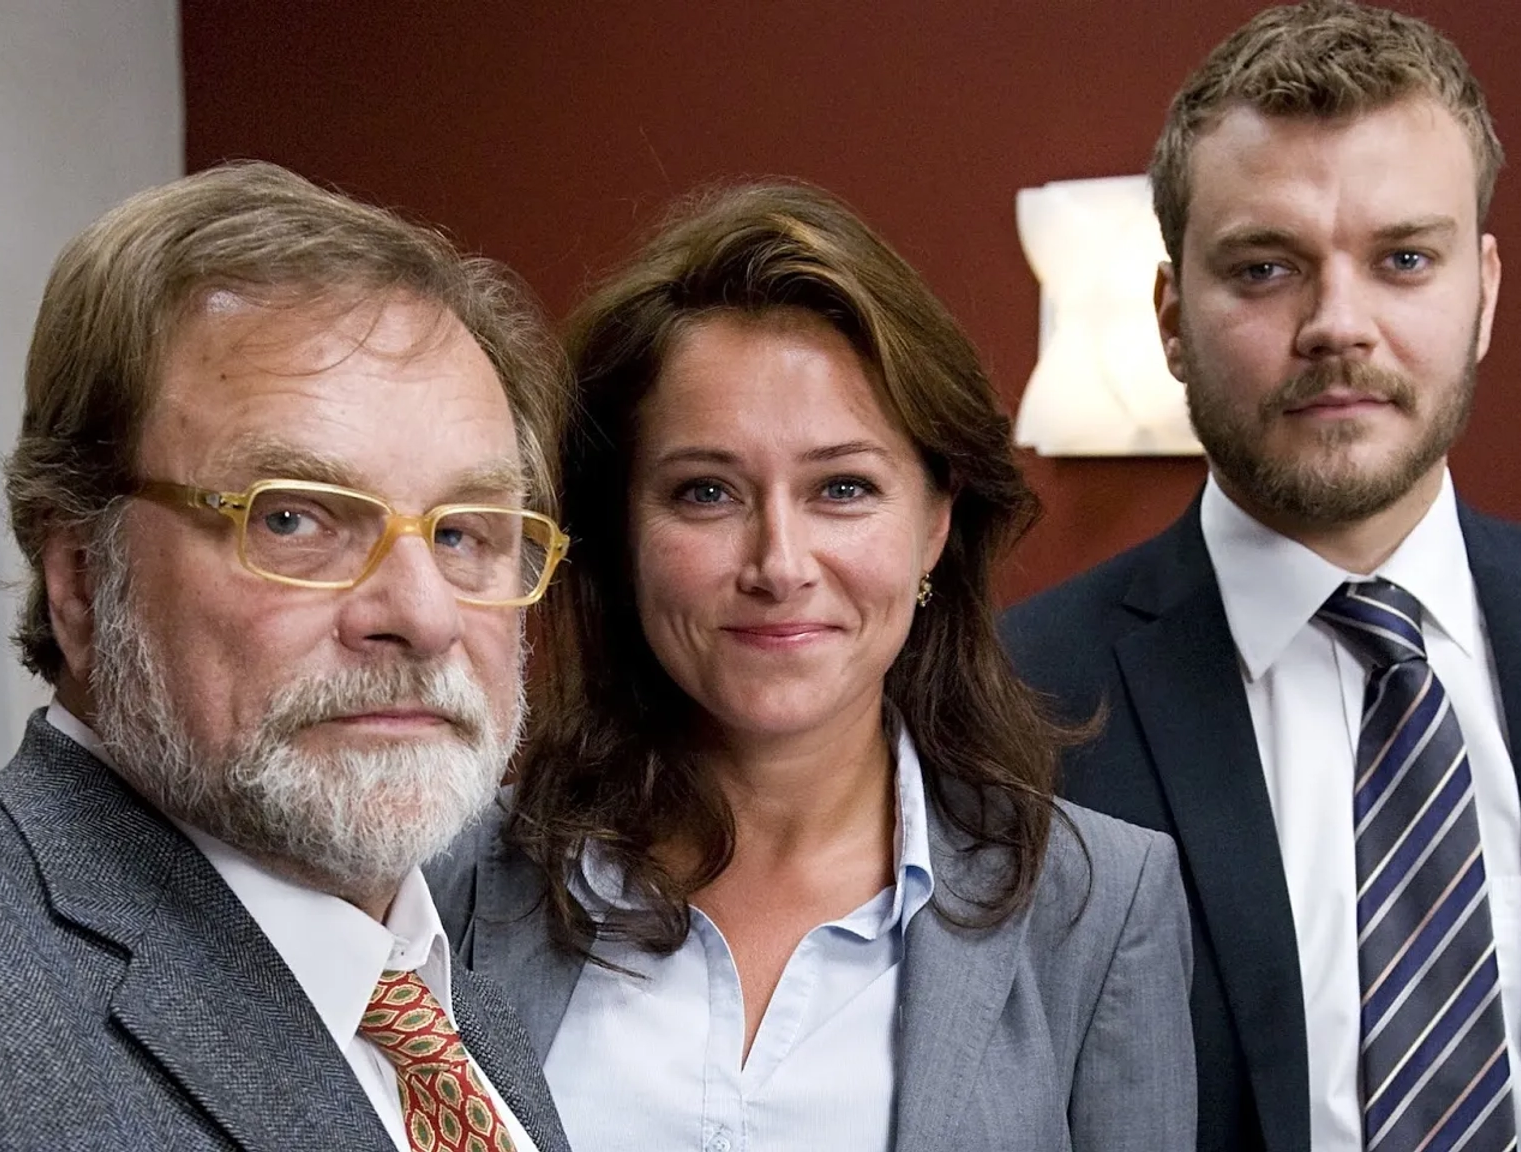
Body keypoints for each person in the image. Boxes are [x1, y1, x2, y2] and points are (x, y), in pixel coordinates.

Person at [1002, 3, 1521, 1151]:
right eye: (1267, 266)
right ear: (1173, 320)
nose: (1339, 324)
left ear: (1482, 292)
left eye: (1405, 260)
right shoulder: (1008, 702)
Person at [0, 162, 575, 1152]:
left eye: (466, 532)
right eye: (293, 518)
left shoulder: (431, 975)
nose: (423, 614)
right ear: (81, 576)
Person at [430, 180, 1195, 1151]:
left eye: (843, 487)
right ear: (620, 530)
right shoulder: (456, 878)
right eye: (706, 491)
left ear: (935, 521)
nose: (779, 565)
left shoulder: (1101, 905)